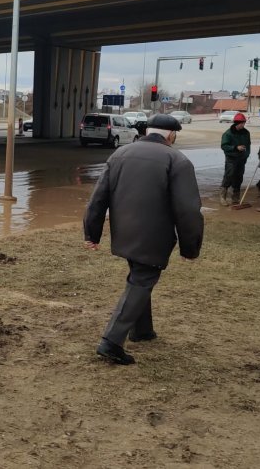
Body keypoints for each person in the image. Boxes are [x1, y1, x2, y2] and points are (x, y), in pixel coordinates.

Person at [83, 114, 204, 365]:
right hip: (154, 235)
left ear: (147, 131)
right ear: (171, 135)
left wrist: (91, 233)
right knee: (141, 280)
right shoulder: (177, 160)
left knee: (141, 276)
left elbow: (98, 198)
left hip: (124, 232)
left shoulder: (120, 154)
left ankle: (143, 331)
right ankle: (111, 342)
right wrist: (190, 246)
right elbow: (188, 210)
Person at [219, 112, 250, 205]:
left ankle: (235, 198)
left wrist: (246, 155)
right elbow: (224, 146)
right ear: (237, 123)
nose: (243, 125)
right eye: (242, 123)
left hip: (241, 159)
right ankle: (223, 197)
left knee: (239, 177)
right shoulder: (228, 134)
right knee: (229, 176)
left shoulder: (246, 133)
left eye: (244, 123)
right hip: (231, 158)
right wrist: (235, 147)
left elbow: (248, 145)